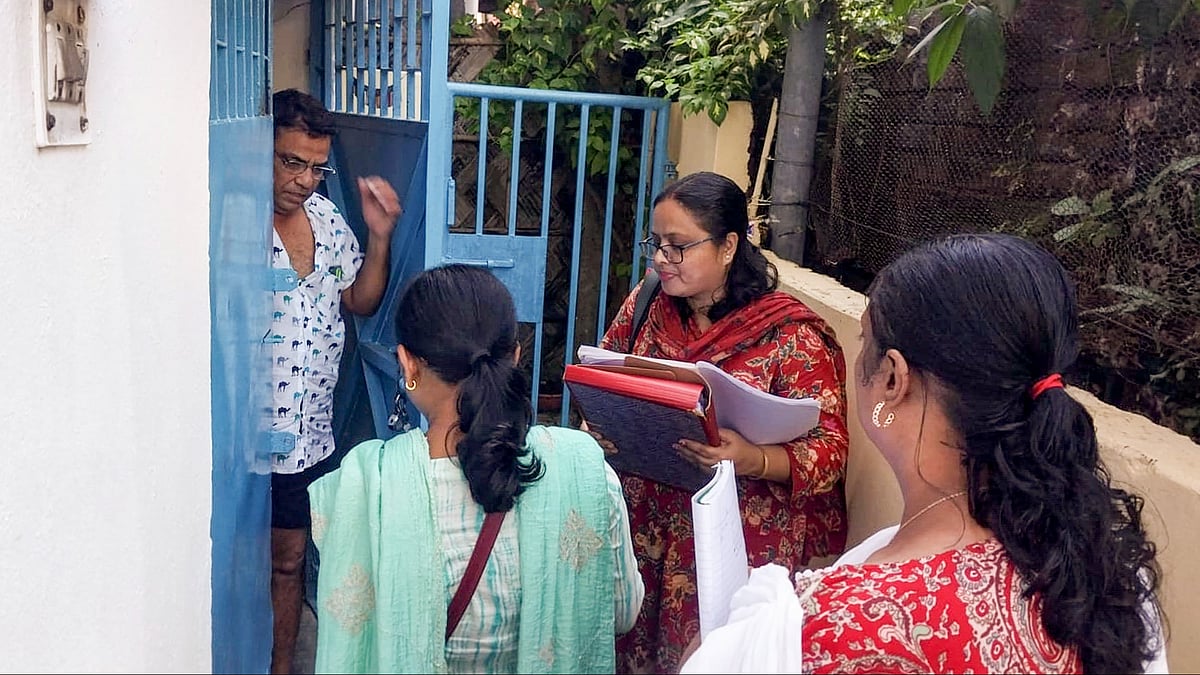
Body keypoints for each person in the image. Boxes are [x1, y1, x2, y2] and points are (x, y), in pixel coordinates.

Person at [681, 233, 1166, 674]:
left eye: (865, 340)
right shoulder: (1105, 572)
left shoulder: (823, 630)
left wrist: (720, 642)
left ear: (893, 379)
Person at [307, 264, 644, 673]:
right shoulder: (582, 468)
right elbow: (620, 611)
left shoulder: (365, 488)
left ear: (407, 364)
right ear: (515, 357)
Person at [596, 171, 850, 673]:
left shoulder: (789, 337)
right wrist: (605, 420)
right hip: (644, 526)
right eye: (657, 244)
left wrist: (752, 457)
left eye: (678, 247)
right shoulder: (646, 305)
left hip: (728, 543)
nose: (661, 260)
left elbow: (830, 453)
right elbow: (606, 368)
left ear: (729, 246)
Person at [267, 88, 402, 674]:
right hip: (240, 438)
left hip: (309, 435)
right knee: (238, 559)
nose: (304, 179)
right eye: (291, 161)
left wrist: (379, 234)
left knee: (292, 561)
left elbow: (361, 300)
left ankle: (279, 665)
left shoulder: (325, 216)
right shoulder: (230, 214)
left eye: (316, 167)